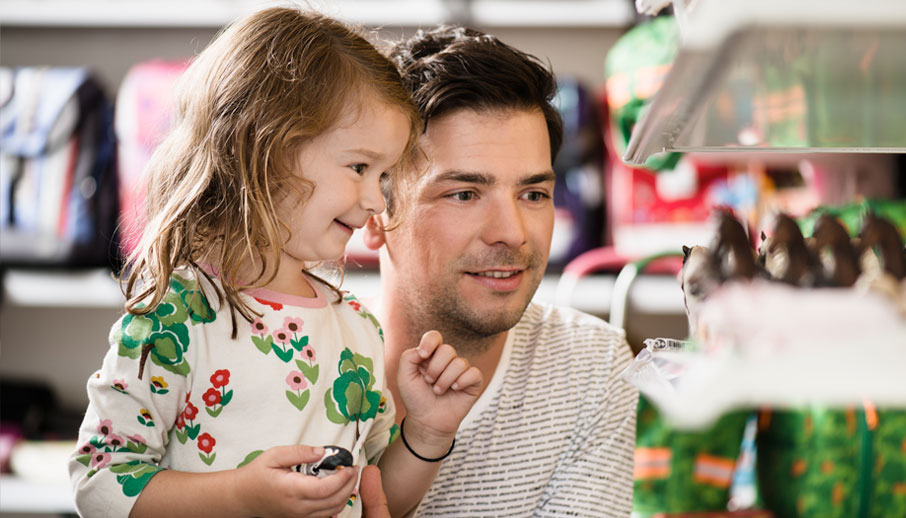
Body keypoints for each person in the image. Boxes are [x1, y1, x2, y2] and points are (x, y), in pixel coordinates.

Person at [68, 8, 481, 518]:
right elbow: (99, 483)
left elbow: (377, 495)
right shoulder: (177, 315)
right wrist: (241, 496)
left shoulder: (356, 328)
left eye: (385, 177)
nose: (378, 201)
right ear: (265, 148)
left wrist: (428, 431)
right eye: (359, 167)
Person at [362, 26, 639, 516]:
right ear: (372, 213)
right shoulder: (295, 361)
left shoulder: (589, 368)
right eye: (464, 194)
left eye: (533, 194)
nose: (512, 233)